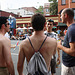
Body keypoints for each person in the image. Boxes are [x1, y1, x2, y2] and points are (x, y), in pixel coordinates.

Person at [57, 8, 75, 75]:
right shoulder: (72, 28)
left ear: (66, 15)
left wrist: (60, 46)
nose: (60, 17)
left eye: (61, 15)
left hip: (69, 66)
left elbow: (73, 52)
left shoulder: (71, 29)